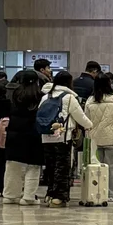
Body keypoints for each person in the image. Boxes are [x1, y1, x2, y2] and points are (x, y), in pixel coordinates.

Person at [37, 69, 91, 207]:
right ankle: (59, 197)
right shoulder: (69, 97)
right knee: (62, 167)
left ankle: (50, 194)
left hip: (46, 136)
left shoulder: (45, 96)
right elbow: (80, 116)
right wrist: (90, 125)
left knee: (50, 167)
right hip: (62, 137)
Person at [2, 71, 45, 204]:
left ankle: (10, 195)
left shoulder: (15, 93)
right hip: (33, 133)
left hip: (14, 133)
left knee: (12, 165)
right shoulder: (40, 95)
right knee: (33, 166)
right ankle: (28, 197)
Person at [84, 71, 113, 186]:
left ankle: (98, 191)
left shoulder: (90, 100)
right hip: (112, 138)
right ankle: (112, 194)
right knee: (112, 168)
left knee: (97, 168)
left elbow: (87, 118)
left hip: (95, 139)